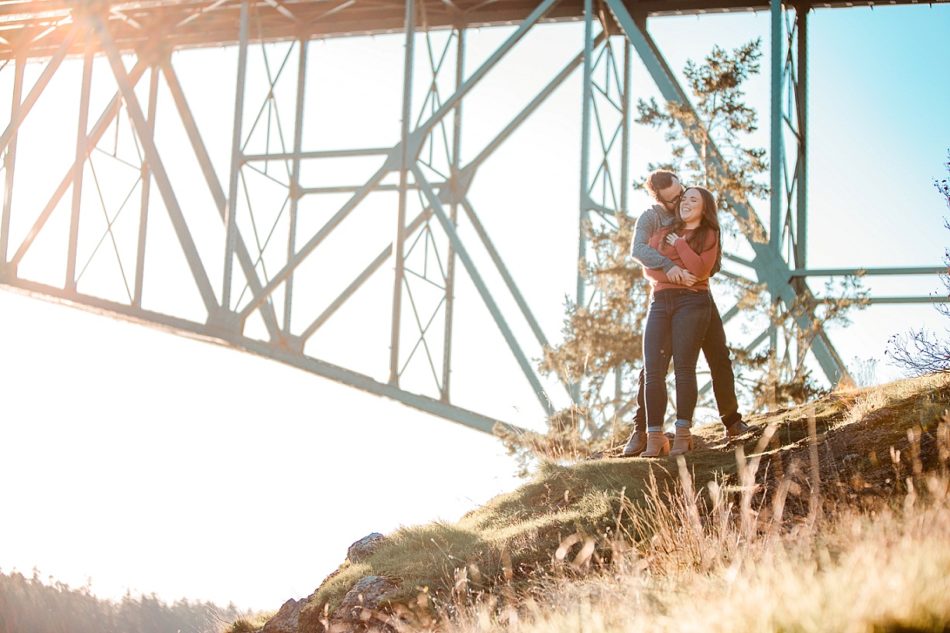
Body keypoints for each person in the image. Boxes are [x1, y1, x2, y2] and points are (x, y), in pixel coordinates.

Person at [622, 171, 750, 457]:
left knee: (718, 356)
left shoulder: (700, 220)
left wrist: (692, 272)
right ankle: (641, 430)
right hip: (667, 293)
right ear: (659, 200)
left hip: (698, 293)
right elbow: (639, 250)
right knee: (653, 365)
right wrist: (670, 268)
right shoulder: (652, 219)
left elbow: (710, 263)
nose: (681, 200)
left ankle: (732, 421)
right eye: (674, 199)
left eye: (683, 192)